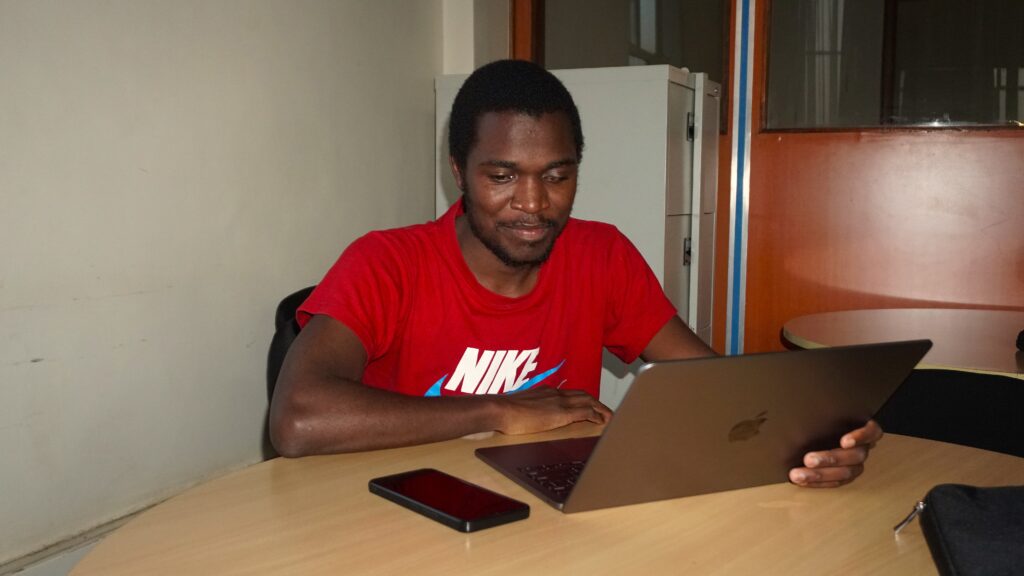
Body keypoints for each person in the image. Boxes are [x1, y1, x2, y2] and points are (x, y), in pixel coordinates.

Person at [269, 60, 881, 488]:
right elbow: (299, 418)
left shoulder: (601, 256)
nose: (534, 205)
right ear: (459, 171)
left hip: (548, 510)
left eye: (557, 176)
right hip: (406, 511)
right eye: (502, 176)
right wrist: (496, 410)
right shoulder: (387, 263)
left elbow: (710, 383)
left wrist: (819, 429)